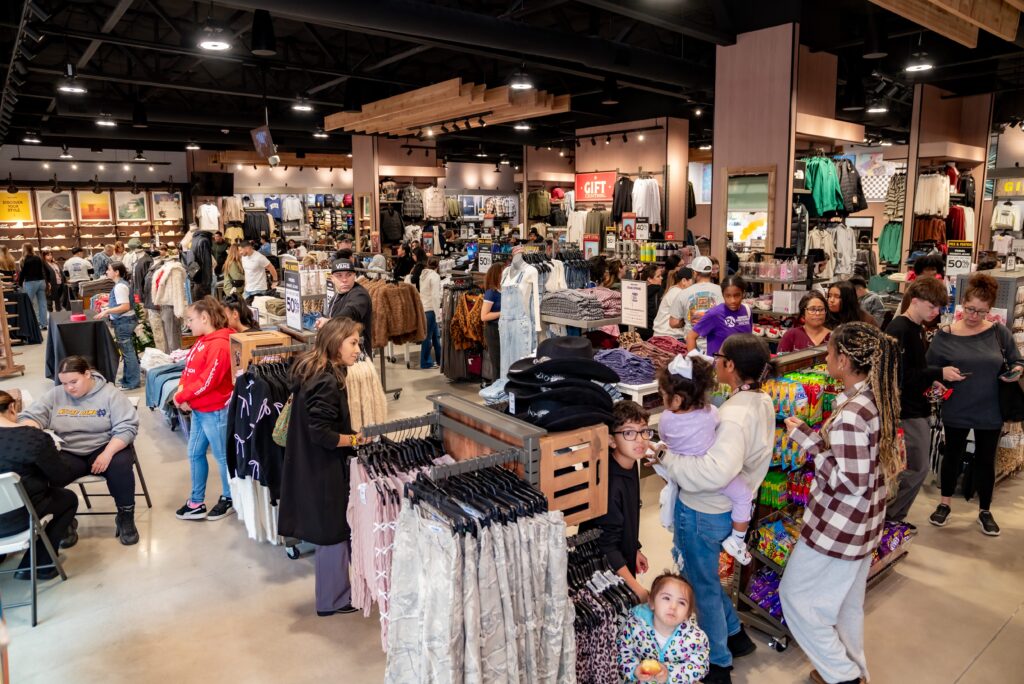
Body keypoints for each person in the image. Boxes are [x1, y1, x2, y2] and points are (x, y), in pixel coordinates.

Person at [781, 322, 901, 684]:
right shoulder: (873, 398)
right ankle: (853, 669)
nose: (826, 357)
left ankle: (843, 675)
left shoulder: (851, 415)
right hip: (864, 523)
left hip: (838, 526)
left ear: (845, 360)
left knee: (795, 598)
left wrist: (807, 439)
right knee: (847, 605)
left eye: (831, 352)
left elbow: (850, 481)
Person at [661, 334, 775, 683]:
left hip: (704, 509)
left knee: (702, 586)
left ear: (731, 365)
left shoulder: (734, 415)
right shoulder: (758, 401)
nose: (715, 360)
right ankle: (736, 635)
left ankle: (718, 664)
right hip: (725, 507)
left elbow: (713, 472)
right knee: (707, 580)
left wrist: (667, 458)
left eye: (720, 356)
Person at [278, 317, 365, 616]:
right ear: (335, 342)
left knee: (333, 530)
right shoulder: (328, 380)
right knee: (333, 531)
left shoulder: (314, 371)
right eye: (353, 343)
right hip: (322, 468)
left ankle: (337, 594)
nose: (357, 349)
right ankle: (334, 599)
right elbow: (322, 434)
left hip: (309, 464)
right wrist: (354, 439)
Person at [926, 273, 1023, 535]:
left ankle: (985, 510)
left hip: (991, 408)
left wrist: (1012, 373)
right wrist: (940, 377)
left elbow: (1017, 361)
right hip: (957, 405)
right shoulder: (945, 334)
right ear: (962, 304)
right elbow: (929, 369)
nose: (973, 315)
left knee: (985, 459)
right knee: (952, 455)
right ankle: (944, 504)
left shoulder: (999, 333)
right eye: (970, 309)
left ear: (989, 310)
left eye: (981, 311)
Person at [19, 355, 141, 545]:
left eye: (74, 381)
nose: (69, 388)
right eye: (64, 383)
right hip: (69, 449)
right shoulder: (56, 394)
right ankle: (63, 519)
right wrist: (32, 426)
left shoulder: (110, 394)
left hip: (104, 446)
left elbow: (127, 427)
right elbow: (31, 415)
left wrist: (107, 453)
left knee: (121, 465)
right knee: (42, 468)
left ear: (87, 374)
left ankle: (125, 516)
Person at [657, 351, 752, 565]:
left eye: (663, 394)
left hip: (682, 474)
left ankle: (680, 556)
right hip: (711, 478)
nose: (662, 398)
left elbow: (664, 440)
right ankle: (737, 539)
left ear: (677, 399)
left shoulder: (665, 420)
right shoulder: (711, 412)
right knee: (743, 495)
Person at [884, 278, 961, 525]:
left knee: (914, 469)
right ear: (914, 300)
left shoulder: (915, 329)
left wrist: (932, 380)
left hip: (915, 407)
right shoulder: (899, 329)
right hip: (905, 411)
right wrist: (938, 373)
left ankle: (893, 518)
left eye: (939, 307)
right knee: (917, 469)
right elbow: (899, 376)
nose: (936, 312)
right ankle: (890, 518)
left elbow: (915, 368)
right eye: (932, 306)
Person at [578, 400, 653, 602]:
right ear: (612, 440)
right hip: (601, 572)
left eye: (644, 431)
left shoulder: (630, 462)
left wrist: (635, 548)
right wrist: (636, 588)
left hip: (620, 558)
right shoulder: (610, 483)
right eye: (629, 433)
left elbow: (626, 515)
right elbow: (607, 547)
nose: (640, 440)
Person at [0, 390, 78, 581]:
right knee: (67, 499)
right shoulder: (31, 438)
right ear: (12, 408)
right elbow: (60, 477)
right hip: (18, 519)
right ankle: (40, 565)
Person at [173, 297, 235, 522]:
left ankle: (230, 498)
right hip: (200, 408)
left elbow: (209, 380)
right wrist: (182, 393)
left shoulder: (219, 344)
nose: (188, 323)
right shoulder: (203, 340)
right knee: (194, 453)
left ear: (205, 318)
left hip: (215, 410)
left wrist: (182, 395)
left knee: (222, 457)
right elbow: (190, 371)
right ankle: (196, 501)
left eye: (191, 319)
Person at [618, 573, 710, 683]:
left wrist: (669, 674)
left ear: (687, 613)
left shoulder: (695, 637)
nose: (673, 606)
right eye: (666, 598)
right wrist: (634, 670)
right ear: (651, 602)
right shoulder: (635, 626)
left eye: (681, 602)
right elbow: (622, 651)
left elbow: (700, 666)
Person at [95, 262, 140, 390]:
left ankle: (132, 382)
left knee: (128, 353)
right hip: (126, 321)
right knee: (128, 352)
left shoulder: (120, 287)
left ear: (117, 272)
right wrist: (109, 307)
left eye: (109, 269)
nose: (106, 272)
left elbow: (125, 306)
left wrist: (107, 311)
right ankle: (128, 379)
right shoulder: (121, 285)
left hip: (124, 322)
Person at [318, 252, 373, 356]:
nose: (344, 280)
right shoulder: (336, 296)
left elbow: (351, 311)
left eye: (349, 275)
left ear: (354, 276)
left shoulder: (360, 294)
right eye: (339, 276)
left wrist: (329, 322)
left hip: (358, 358)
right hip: (340, 355)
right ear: (332, 279)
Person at [687, 275, 751, 356]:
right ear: (723, 294)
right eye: (728, 296)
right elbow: (690, 337)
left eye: (737, 295)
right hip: (719, 367)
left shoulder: (747, 310)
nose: (733, 300)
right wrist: (695, 362)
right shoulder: (714, 314)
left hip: (742, 365)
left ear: (743, 294)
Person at [675, 257, 723, 348]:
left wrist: (686, 320)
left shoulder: (684, 293)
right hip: (715, 344)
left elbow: (673, 322)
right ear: (710, 272)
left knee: (696, 362)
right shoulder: (721, 291)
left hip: (692, 345)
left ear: (694, 273)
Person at [652, 267, 694, 338]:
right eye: (693, 281)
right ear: (684, 281)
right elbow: (684, 319)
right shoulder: (678, 294)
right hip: (668, 337)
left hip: (664, 335)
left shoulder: (675, 290)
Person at [418, 255, 442, 369]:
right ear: (437, 265)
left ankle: (439, 359)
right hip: (431, 309)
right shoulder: (435, 276)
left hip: (424, 308)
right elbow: (435, 296)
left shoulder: (423, 275)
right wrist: (438, 314)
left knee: (434, 337)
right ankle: (425, 362)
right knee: (428, 338)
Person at [17, 243, 48, 330]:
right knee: (42, 303)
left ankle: (31, 324)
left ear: (24, 249)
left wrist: (19, 284)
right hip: (41, 281)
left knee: (28, 304)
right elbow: (42, 270)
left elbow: (22, 274)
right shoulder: (38, 258)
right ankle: (44, 324)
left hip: (30, 282)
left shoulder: (24, 259)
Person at [482, 262, 504, 380]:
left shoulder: (503, 290)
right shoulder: (491, 293)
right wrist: (502, 313)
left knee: (502, 363)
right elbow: (484, 316)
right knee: (497, 364)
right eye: (503, 272)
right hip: (493, 330)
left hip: (501, 329)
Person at [642, 265, 664, 336]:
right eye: (658, 276)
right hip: (655, 331)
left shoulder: (639, 291)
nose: (661, 278)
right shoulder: (659, 290)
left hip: (640, 330)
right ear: (649, 279)